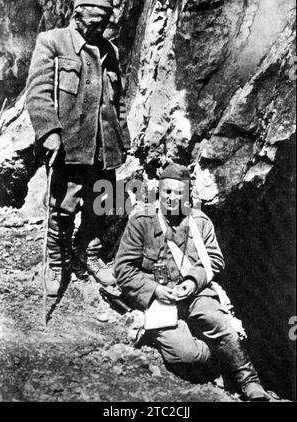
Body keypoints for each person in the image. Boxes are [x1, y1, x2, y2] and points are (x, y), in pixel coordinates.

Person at [115, 163, 270, 401]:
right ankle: (220, 361)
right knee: (187, 354)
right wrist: (155, 290)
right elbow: (123, 269)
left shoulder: (199, 222)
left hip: (194, 292)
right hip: (158, 299)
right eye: (167, 192)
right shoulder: (142, 221)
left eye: (179, 193)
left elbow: (215, 259)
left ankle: (250, 382)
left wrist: (192, 281)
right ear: (159, 191)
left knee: (218, 321)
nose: (172, 198)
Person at [26, 0, 130, 296]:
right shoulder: (52, 42)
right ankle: (56, 261)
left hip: (105, 145)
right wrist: (49, 132)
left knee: (102, 202)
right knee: (63, 206)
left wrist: (123, 139)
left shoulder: (111, 50)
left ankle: (91, 255)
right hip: (70, 145)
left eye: (105, 22)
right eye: (95, 22)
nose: (100, 28)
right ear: (77, 15)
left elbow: (117, 100)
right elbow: (38, 93)